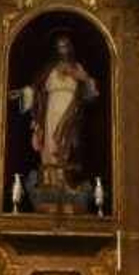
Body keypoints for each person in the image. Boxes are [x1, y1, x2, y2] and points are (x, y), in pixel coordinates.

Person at [11, 30, 99, 184]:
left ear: (70, 48)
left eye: (65, 46)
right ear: (55, 49)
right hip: (51, 110)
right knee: (50, 144)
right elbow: (36, 89)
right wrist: (21, 93)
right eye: (59, 46)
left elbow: (90, 91)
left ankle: (65, 181)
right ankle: (50, 183)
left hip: (70, 111)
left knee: (66, 144)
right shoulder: (50, 69)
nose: (62, 49)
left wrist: (79, 76)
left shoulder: (77, 67)